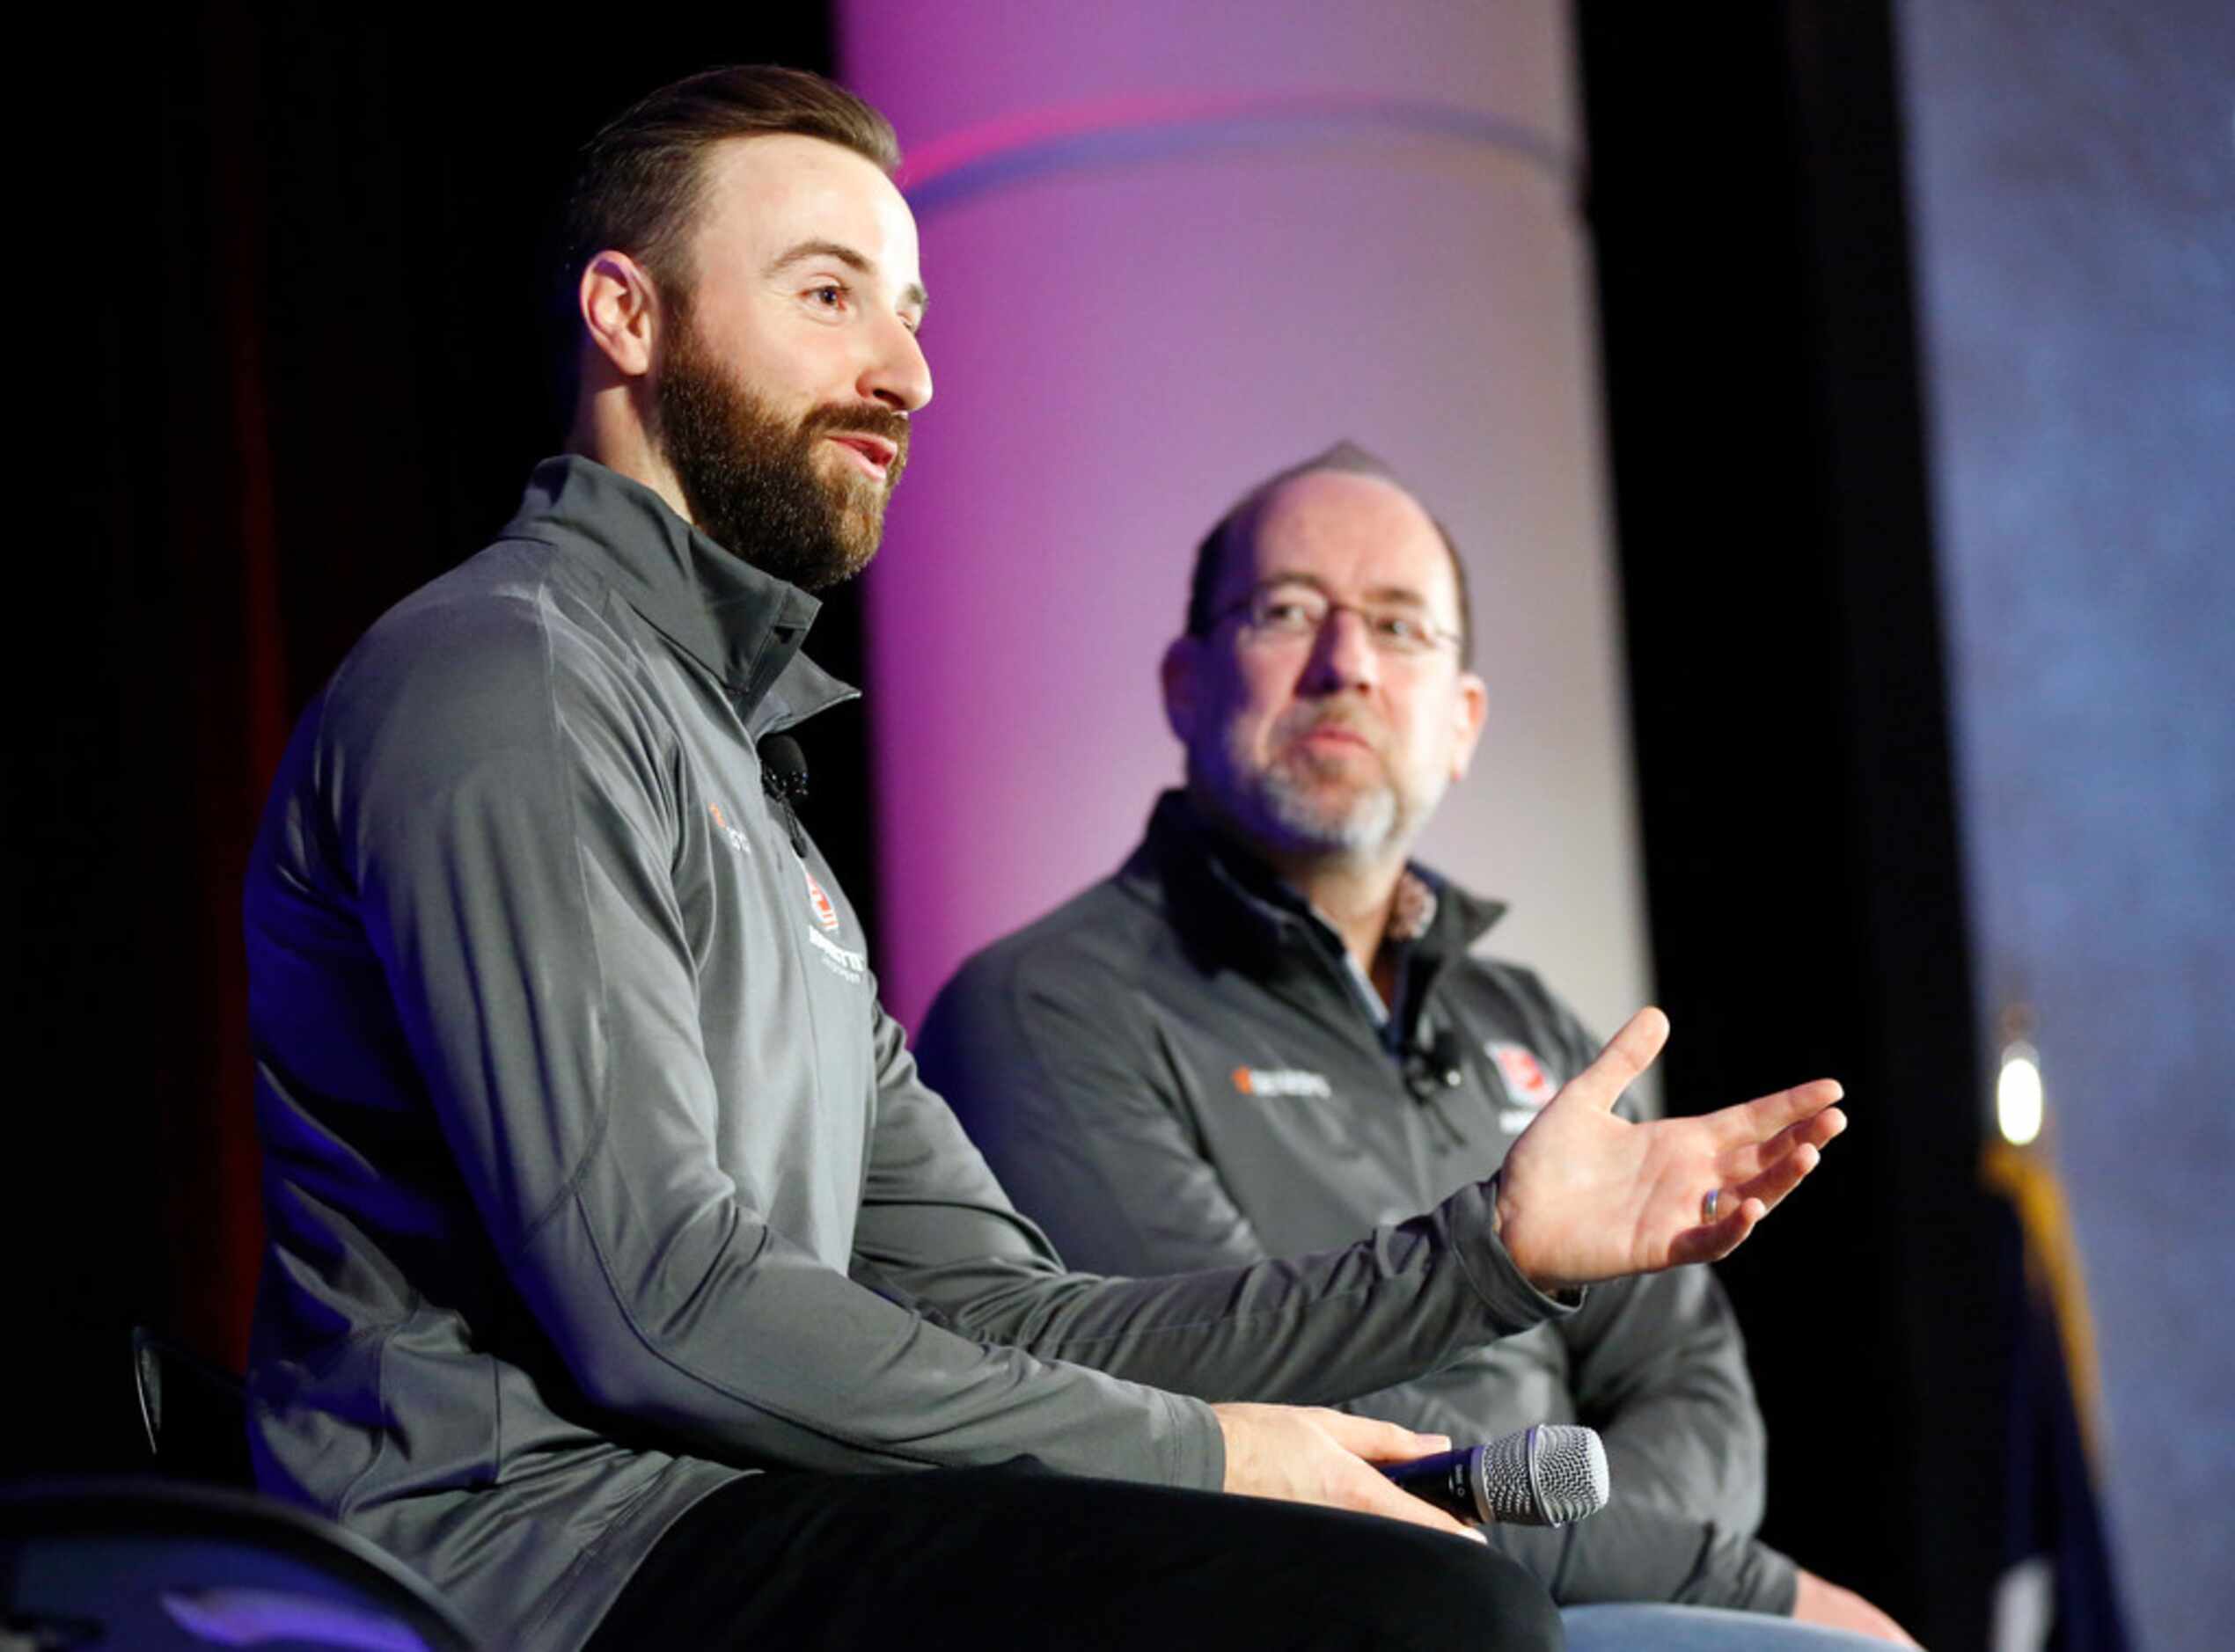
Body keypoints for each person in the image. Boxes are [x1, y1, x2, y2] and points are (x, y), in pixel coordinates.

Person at [243, 69, 1846, 1652]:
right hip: (534, 1556)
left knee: (1423, 1588)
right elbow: (657, 1299)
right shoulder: (511, 681)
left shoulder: (739, 779)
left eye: (913, 311)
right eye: (830, 296)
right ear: (627, 315)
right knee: (1407, 1607)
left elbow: (1019, 1313)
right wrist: (1214, 1453)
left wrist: (1488, 1252)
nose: (909, 373)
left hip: (716, 1505)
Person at [914, 444, 1917, 1647]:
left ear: (1463, 720)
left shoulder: (1535, 1026)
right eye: (1288, 611)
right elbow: (1258, 1410)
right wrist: (1750, 1590)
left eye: (1400, 628)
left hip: (1584, 1603)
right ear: (1185, 682)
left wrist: (1657, 1574)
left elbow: (1690, 1389)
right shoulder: (1044, 1008)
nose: (1347, 666)